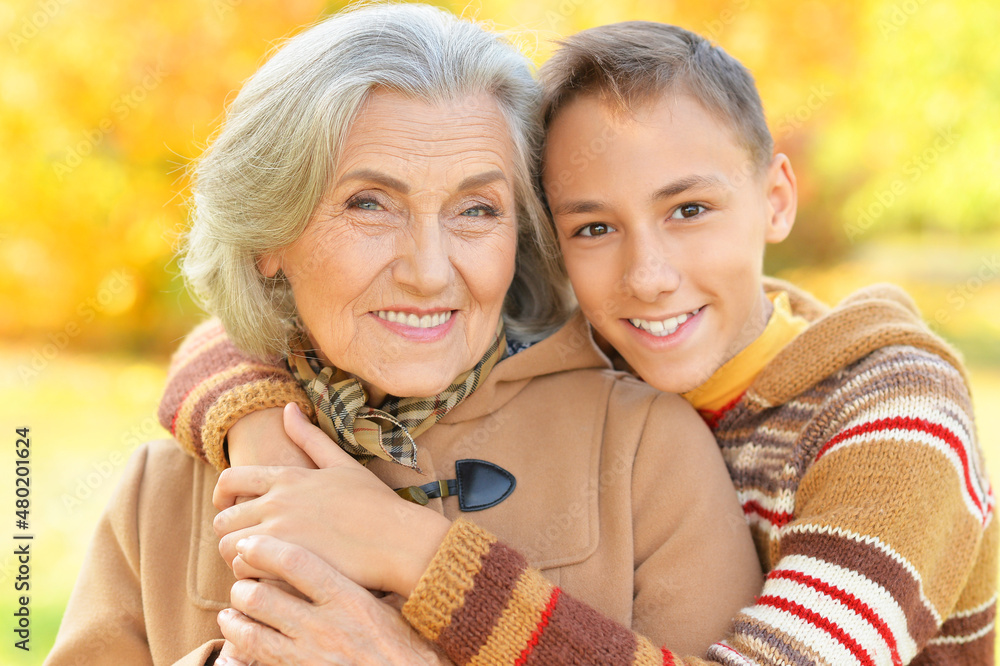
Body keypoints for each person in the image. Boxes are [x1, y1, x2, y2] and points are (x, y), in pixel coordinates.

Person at [161, 18, 998, 666]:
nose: (649, 276)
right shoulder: (607, 353)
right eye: (594, 226)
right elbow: (284, 321)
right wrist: (261, 431)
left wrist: (415, 554)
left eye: (690, 210)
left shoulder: (896, 425)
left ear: (777, 199)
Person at [44, 6, 764, 665]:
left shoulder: (644, 451)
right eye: (370, 204)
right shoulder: (167, 487)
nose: (428, 271)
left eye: (476, 209)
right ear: (270, 238)